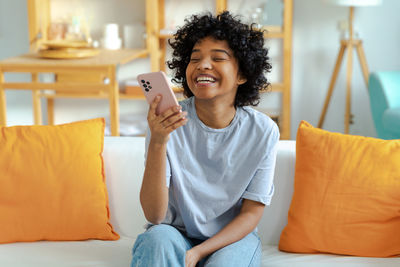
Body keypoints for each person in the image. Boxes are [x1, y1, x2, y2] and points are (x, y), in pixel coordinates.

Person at [131, 11, 279, 267]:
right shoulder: (165, 123)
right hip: (174, 234)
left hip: (231, 239)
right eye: (195, 58)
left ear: (242, 75)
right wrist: (158, 142)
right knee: (156, 241)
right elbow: (154, 215)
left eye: (217, 58)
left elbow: (252, 213)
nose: (202, 65)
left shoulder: (263, 131)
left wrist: (200, 252)